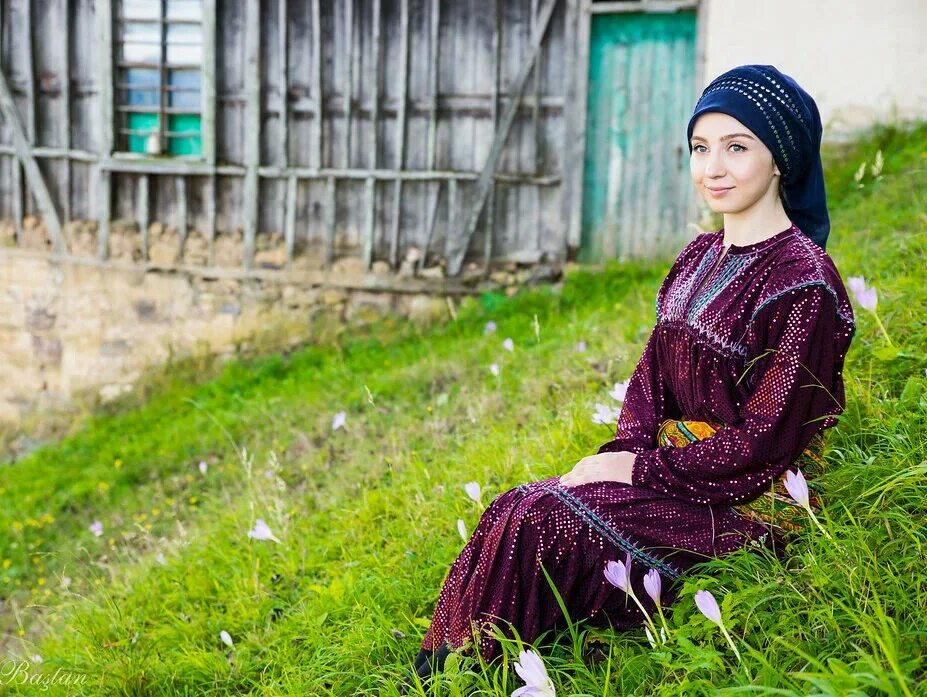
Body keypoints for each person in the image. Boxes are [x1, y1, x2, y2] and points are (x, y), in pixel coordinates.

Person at [412, 64, 856, 679]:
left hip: (748, 505)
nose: (713, 168)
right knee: (518, 504)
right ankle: (446, 670)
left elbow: (768, 441)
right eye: (700, 148)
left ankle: (474, 674)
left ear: (781, 158)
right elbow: (650, 384)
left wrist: (637, 471)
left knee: (542, 518)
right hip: (674, 476)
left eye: (736, 147)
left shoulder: (803, 282)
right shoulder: (697, 256)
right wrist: (619, 461)